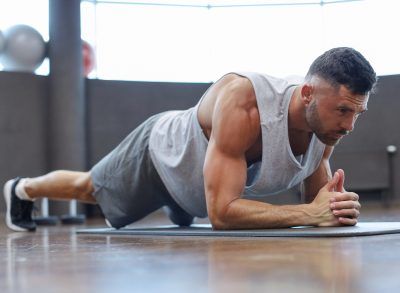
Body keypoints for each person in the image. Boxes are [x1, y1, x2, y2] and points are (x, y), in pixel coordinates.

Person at [3, 47, 377, 232]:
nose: (349, 126)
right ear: (308, 93)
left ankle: (179, 203)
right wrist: (309, 214)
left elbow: (317, 204)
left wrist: (335, 209)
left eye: (356, 114)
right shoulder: (244, 101)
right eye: (343, 111)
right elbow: (222, 214)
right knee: (89, 188)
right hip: (160, 157)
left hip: (200, 188)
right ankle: (22, 190)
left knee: (190, 210)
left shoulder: (327, 125)